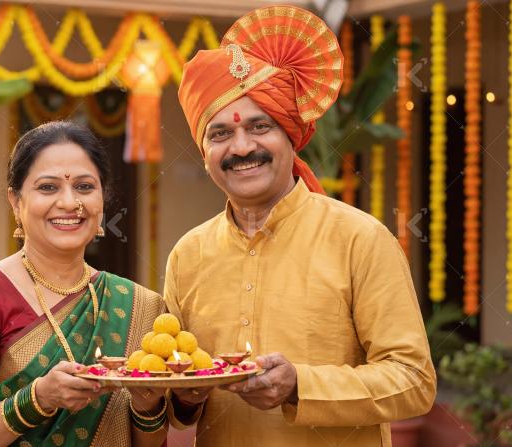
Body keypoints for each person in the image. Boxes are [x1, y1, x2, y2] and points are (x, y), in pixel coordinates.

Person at [165, 5, 437, 446]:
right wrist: (184, 396)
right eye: (220, 134)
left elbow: (413, 381)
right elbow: (176, 394)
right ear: (205, 154)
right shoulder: (188, 254)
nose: (242, 147)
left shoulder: (360, 239)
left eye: (261, 126)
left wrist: (300, 386)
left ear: (291, 137)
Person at [0, 121, 167, 447]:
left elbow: (150, 442)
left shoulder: (141, 306)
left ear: (102, 199)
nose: (69, 203)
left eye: (84, 186)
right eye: (47, 187)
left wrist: (148, 407)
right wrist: (38, 399)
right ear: (16, 202)